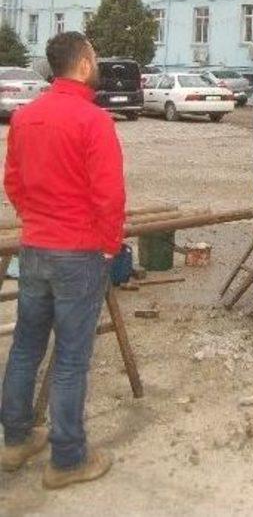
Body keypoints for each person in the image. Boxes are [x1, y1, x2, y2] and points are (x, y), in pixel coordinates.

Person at [1, 31, 126, 489]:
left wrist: (35, 219)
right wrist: (110, 244)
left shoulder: (25, 117)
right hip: (78, 253)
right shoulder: (93, 120)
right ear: (85, 65)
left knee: (26, 346)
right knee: (72, 359)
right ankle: (67, 460)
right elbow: (109, 195)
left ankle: (15, 440)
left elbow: (13, 182)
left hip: (34, 249)